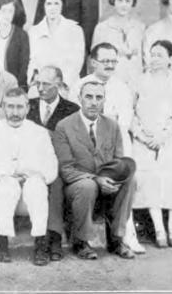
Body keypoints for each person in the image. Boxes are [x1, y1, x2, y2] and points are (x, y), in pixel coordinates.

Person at [52, 80, 137, 260]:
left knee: (130, 180)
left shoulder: (112, 126)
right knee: (87, 186)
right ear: (80, 99)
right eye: (88, 97)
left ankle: (116, 240)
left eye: (99, 97)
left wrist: (113, 179)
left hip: (106, 183)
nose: (93, 102)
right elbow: (66, 169)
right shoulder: (64, 126)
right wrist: (96, 179)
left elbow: (118, 163)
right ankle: (81, 242)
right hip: (77, 186)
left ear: (104, 100)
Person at [71, 43, 144, 253]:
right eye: (105, 61)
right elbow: (76, 120)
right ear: (93, 62)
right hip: (87, 143)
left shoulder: (121, 87)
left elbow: (125, 119)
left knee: (127, 179)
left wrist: (110, 130)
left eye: (113, 61)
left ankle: (125, 235)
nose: (110, 65)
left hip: (116, 140)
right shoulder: (80, 85)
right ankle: (88, 236)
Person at [0, 88, 58, 265]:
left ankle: (40, 242)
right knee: (7, 185)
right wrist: (6, 174)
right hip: (4, 183)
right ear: (3, 107)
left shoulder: (39, 132)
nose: (15, 112)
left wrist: (32, 174)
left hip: (31, 184)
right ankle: (2, 241)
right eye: (10, 107)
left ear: (28, 108)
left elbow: (51, 166)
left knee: (37, 185)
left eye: (19, 107)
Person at [131, 40, 172, 248]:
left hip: (171, 138)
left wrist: (163, 136)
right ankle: (159, 229)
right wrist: (141, 134)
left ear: (171, 59)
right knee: (148, 176)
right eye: (152, 54)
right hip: (144, 139)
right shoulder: (138, 81)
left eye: (160, 55)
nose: (154, 59)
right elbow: (129, 112)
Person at [25, 65, 80, 261]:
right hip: (31, 163)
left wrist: (52, 136)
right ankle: (43, 238)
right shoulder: (26, 105)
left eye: (46, 84)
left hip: (59, 162)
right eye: (37, 83)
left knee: (56, 182)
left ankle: (54, 237)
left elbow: (74, 143)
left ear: (59, 84)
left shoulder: (72, 110)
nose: (40, 88)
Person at [28, 0, 85, 93]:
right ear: (44, 6)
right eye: (48, 4)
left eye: (56, 3)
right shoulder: (34, 31)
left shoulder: (75, 30)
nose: (52, 8)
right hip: (42, 86)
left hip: (67, 86)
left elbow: (77, 62)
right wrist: (35, 81)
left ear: (62, 5)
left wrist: (63, 84)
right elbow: (33, 61)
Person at [92, 0, 145, 87]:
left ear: (132, 4)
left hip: (135, 80)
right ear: (114, 2)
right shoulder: (102, 28)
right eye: (120, 0)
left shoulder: (140, 27)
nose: (123, 5)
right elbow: (94, 59)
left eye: (127, 1)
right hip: (111, 80)